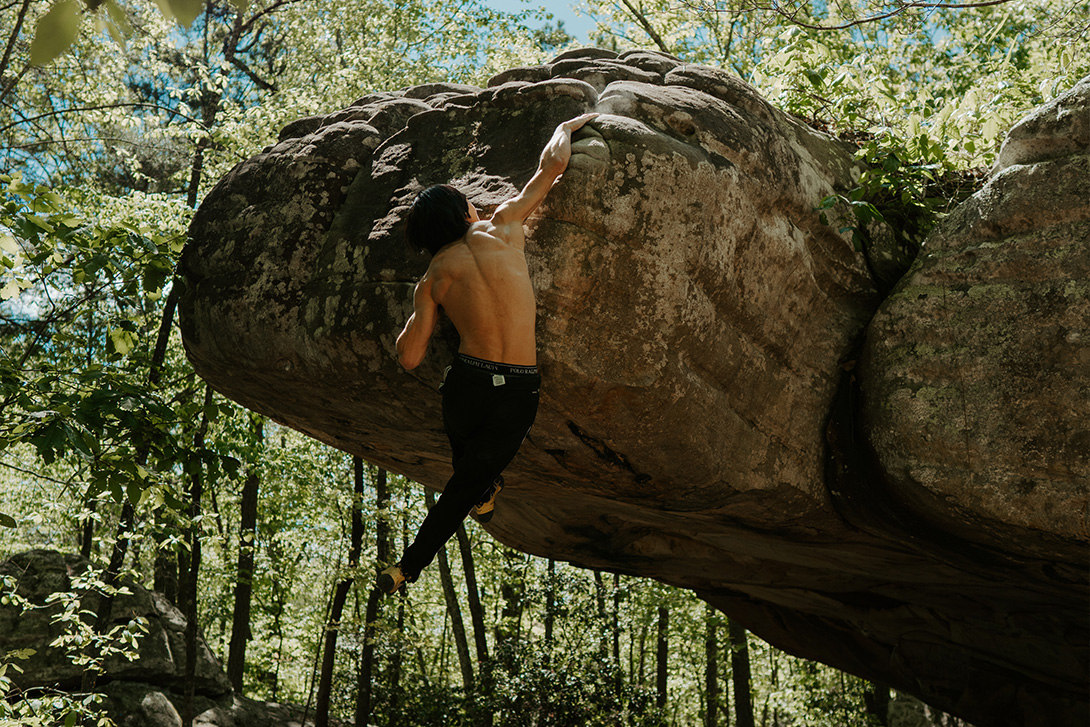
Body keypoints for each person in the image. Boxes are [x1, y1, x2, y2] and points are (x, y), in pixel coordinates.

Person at [377, 113, 598, 595]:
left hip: (467, 387)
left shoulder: (433, 276)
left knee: (469, 474)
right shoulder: (504, 225)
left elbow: (410, 357)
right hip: (516, 388)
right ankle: (418, 556)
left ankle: (452, 524)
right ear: (465, 212)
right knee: (468, 479)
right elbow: (552, 165)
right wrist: (569, 123)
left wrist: (413, 319)